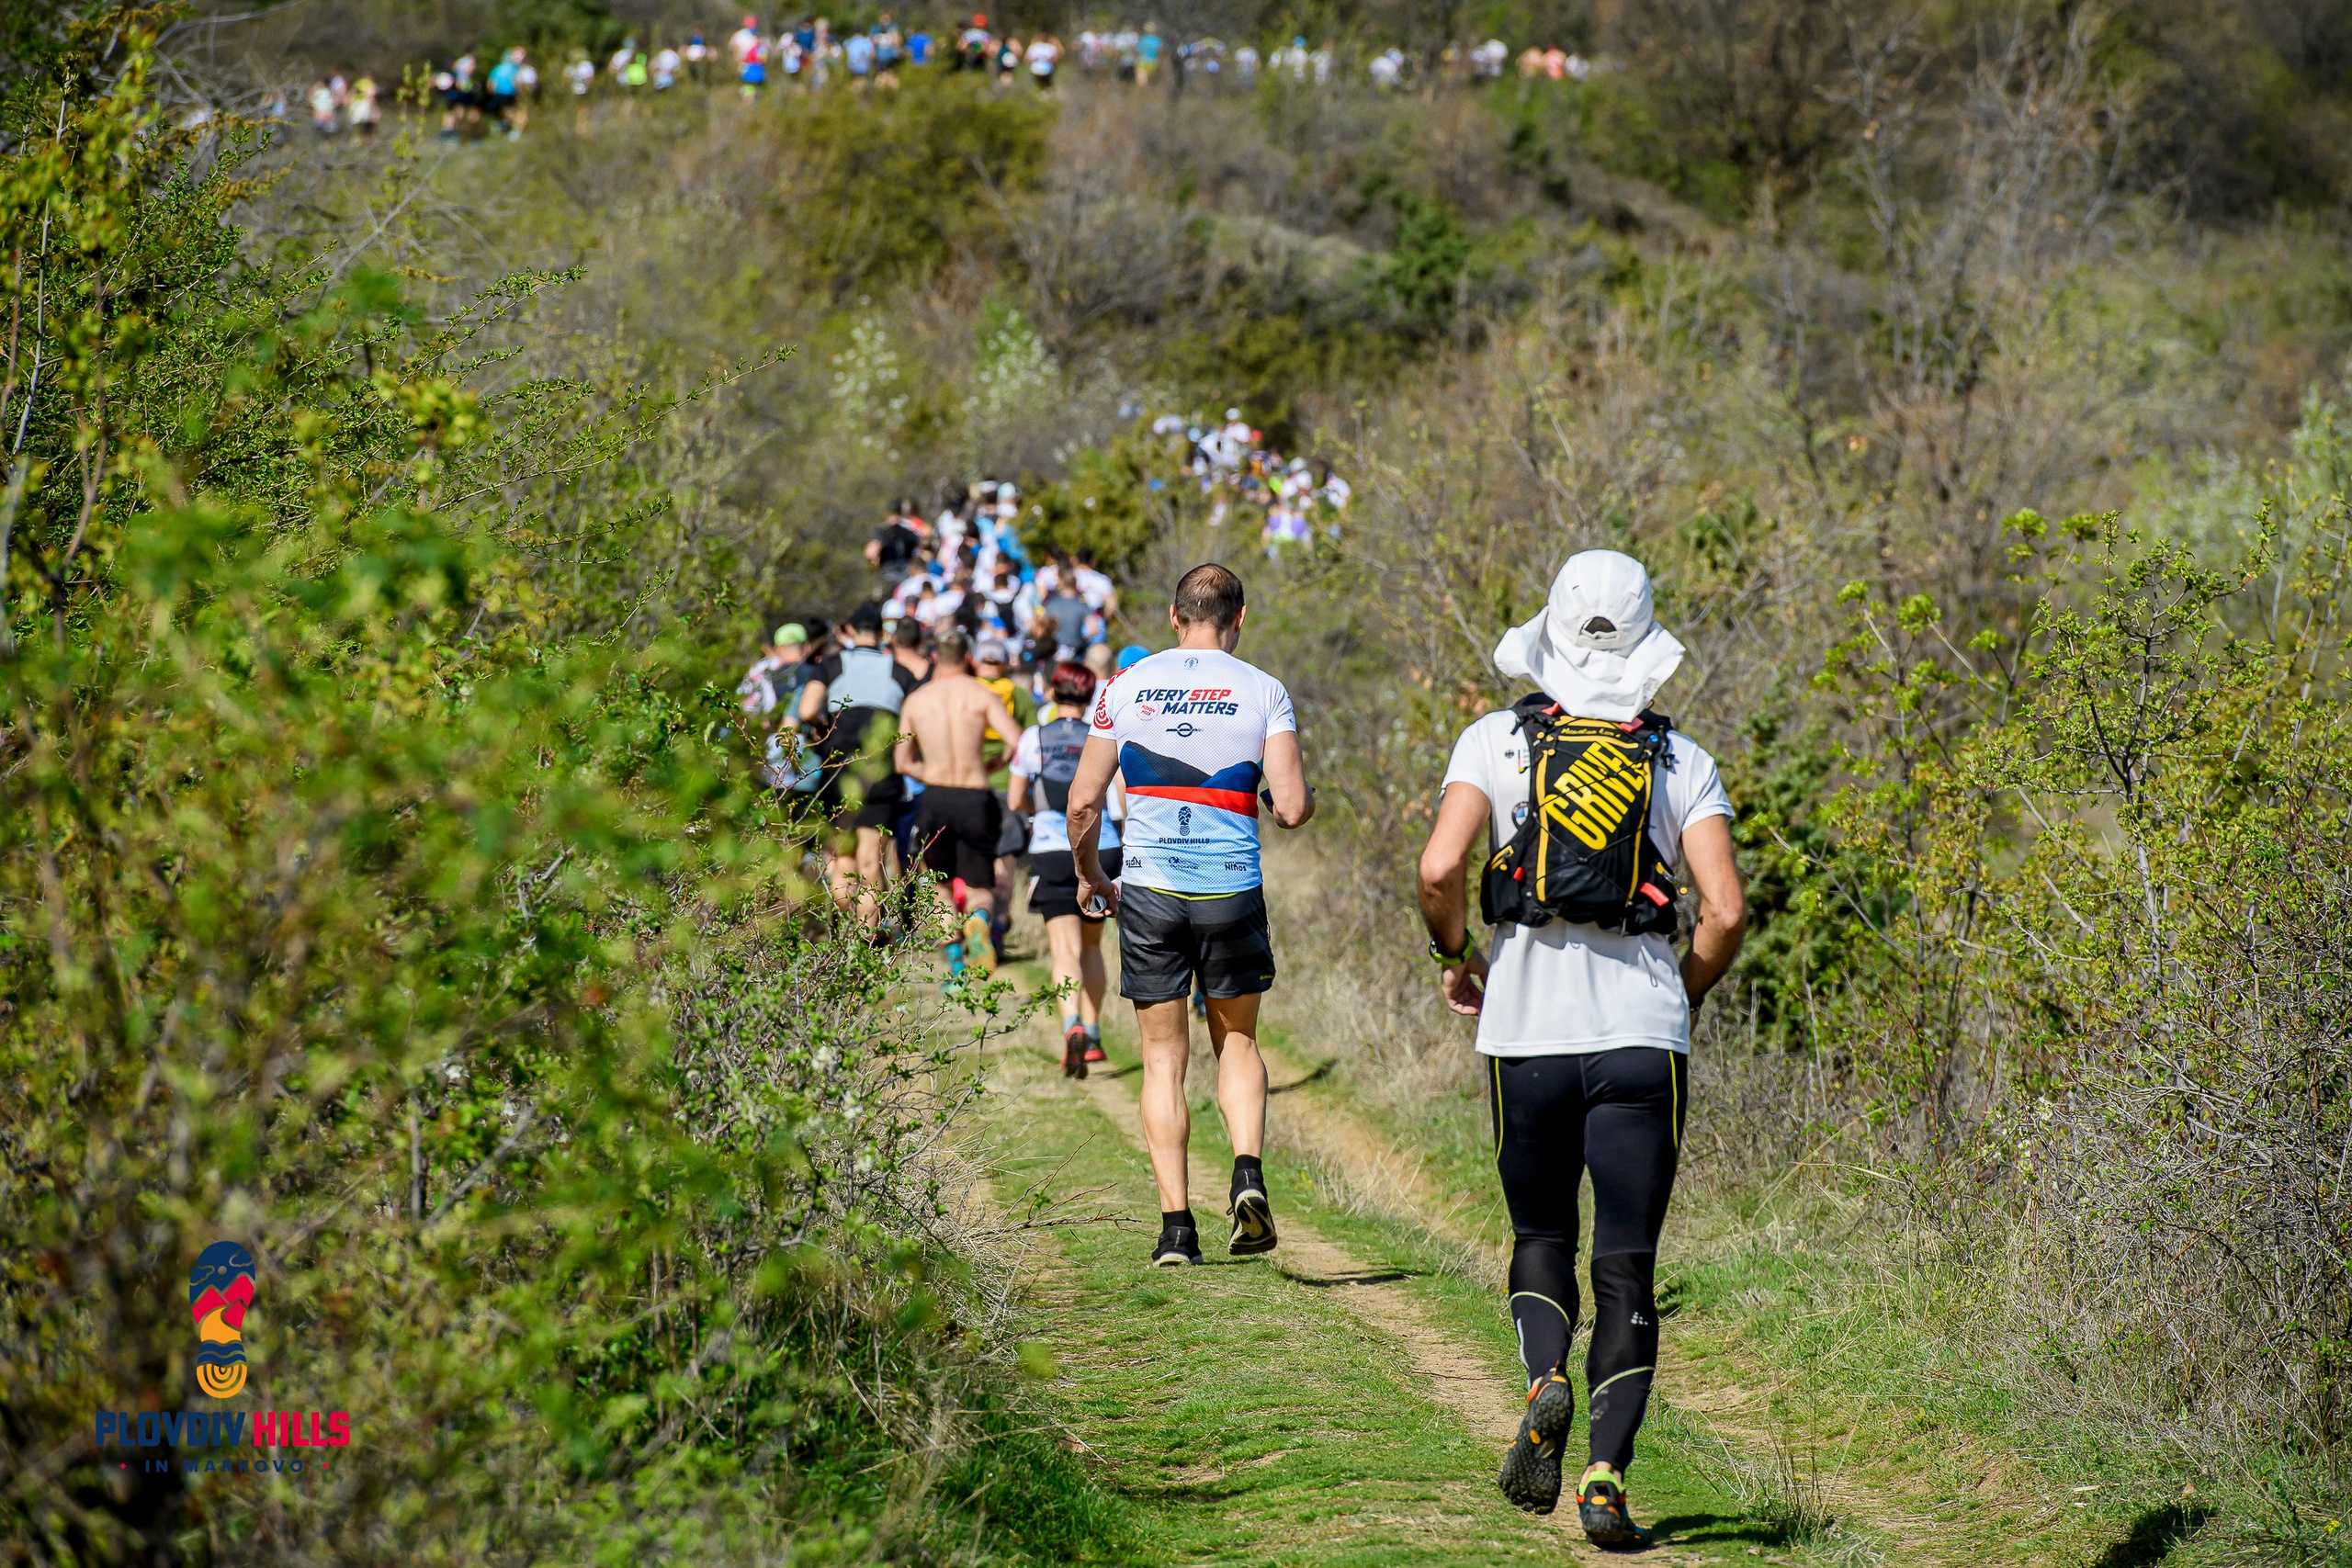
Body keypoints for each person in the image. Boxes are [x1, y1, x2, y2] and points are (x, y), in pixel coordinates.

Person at [1412, 549, 1745, 1547]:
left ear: (1549, 626)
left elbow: (1438, 867)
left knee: (1542, 1236)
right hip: (1643, 1037)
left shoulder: (1493, 743)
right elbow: (1724, 911)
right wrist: (1676, 1000)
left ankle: (1543, 1378)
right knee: (1629, 1267)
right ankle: (1604, 1478)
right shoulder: (1680, 760)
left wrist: (1458, 953)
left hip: (1528, 1032)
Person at [1066, 564, 1315, 1268]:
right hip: (1230, 886)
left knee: (1162, 1058)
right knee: (1236, 1042)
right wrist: (1287, 797)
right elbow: (1292, 808)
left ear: (1174, 618)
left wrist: (1090, 874)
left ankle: (1176, 1231)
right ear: (1239, 618)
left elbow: (1083, 804)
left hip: (1148, 889)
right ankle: (1246, 1174)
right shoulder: (1265, 690)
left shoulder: (1125, 686)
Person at [1010, 661, 1122, 1075]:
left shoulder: (1032, 739)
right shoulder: (1104, 733)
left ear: (1053, 694)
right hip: (1103, 846)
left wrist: (1039, 810)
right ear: (1091, 694)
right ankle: (1092, 1035)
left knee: (1064, 949)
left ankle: (1071, 1023)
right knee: (1092, 946)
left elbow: (1015, 799)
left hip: (1054, 850)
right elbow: (1117, 797)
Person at [895, 629, 1023, 987]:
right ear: (968, 658)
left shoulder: (917, 700)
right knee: (981, 882)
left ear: (935, 657)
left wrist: (931, 773)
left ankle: (955, 967)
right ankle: (980, 918)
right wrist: (991, 767)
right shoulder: (980, 695)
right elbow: (1016, 741)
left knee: (939, 886)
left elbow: (902, 762)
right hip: (975, 795)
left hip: (936, 796)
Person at [798, 604, 922, 926]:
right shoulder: (901, 672)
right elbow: (913, 725)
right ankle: (868, 937)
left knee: (840, 858)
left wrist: (824, 730)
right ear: (883, 634)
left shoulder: (831, 664)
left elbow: (807, 709)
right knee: (871, 859)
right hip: (881, 772)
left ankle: (850, 922)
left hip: (838, 769)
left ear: (849, 630)